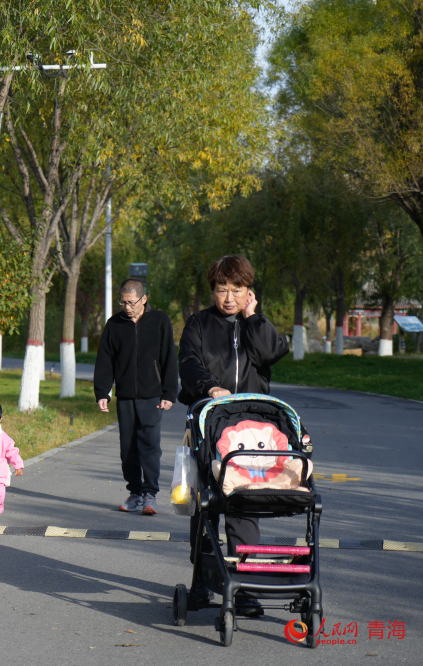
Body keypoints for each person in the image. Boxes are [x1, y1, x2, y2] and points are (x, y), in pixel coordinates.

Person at [178, 255, 289, 615]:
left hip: (252, 431)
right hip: (209, 425)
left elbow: (272, 352)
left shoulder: (254, 324)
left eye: (237, 290)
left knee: (245, 503)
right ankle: (202, 583)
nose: (228, 297)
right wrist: (210, 389)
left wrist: (253, 317)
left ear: (248, 292)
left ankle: (245, 589)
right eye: (222, 289)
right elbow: (189, 364)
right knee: (206, 504)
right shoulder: (198, 324)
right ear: (212, 290)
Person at [94, 279, 178, 515]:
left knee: (150, 445)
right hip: (125, 397)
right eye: (123, 302)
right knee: (128, 447)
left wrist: (169, 392)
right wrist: (103, 391)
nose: (127, 307)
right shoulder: (115, 324)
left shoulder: (160, 321)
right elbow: (105, 360)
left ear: (143, 299)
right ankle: (135, 493)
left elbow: (168, 358)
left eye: (131, 302)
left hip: (153, 396)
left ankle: (150, 494)